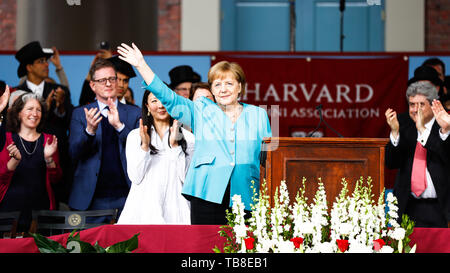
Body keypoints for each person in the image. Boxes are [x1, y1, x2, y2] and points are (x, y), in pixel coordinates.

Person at [118, 43, 272, 225]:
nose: (223, 89)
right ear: (212, 90)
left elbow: (270, 159)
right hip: (207, 195)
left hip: (246, 193)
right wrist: (141, 65)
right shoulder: (201, 110)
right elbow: (168, 97)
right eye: (217, 84)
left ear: (240, 86)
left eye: (229, 83)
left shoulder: (259, 114)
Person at [68, 58, 141, 219]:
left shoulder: (134, 112)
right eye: (102, 80)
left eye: (112, 79)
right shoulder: (80, 114)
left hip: (127, 195)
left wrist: (119, 126)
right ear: (93, 86)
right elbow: (73, 153)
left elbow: (142, 149)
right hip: (91, 198)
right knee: (90, 244)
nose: (108, 84)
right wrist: (89, 131)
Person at [118, 90, 194, 224]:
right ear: (147, 106)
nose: (160, 105)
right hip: (143, 210)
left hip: (176, 209)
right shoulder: (135, 136)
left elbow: (188, 181)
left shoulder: (188, 138)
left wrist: (175, 145)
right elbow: (135, 177)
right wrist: (145, 147)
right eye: (154, 101)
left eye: (164, 100)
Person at [13, 41, 73, 207]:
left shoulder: (61, 90)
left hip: (56, 161)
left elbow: (69, 122)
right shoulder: (16, 93)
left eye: (46, 61)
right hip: (25, 161)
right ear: (29, 67)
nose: (47, 64)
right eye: (41, 61)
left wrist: (60, 107)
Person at [385, 81, 450, 228]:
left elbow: (445, 155)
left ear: (433, 105)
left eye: (421, 105)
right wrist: (395, 133)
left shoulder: (445, 124)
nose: (416, 110)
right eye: (412, 104)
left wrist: (423, 130)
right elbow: (391, 163)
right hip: (408, 206)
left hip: (441, 207)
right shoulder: (403, 125)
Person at [0, 93, 62, 232]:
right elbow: (1, 176)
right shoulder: (7, 138)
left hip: (41, 210)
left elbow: (56, 179)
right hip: (9, 209)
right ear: (19, 113)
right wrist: (14, 161)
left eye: (38, 110)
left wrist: (48, 159)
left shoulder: (49, 140)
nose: (34, 113)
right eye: (30, 109)